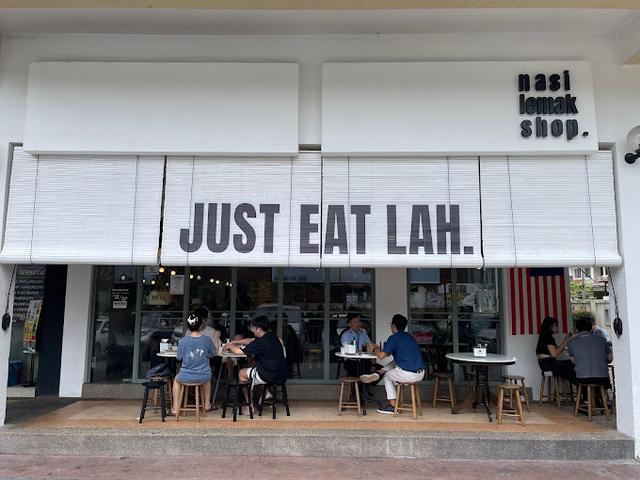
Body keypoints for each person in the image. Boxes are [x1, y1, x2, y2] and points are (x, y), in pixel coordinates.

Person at [225, 315, 288, 411]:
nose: (252, 330)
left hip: (269, 375)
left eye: (253, 328)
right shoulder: (272, 337)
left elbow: (239, 352)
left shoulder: (260, 343)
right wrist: (236, 342)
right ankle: (266, 393)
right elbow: (251, 340)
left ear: (259, 329)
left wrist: (229, 346)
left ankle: (248, 405)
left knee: (241, 373)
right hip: (281, 374)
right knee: (255, 366)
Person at [367, 314, 425, 414]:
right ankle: (381, 371)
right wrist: (382, 350)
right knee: (395, 362)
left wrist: (374, 349)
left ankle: (392, 406)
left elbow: (381, 356)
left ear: (394, 326)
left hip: (408, 374)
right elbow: (390, 353)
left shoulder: (393, 338)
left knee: (387, 377)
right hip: (421, 374)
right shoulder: (409, 336)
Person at [170, 314, 215, 415]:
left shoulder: (183, 341)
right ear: (200, 326)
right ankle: (207, 404)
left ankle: (175, 407)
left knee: (176, 380)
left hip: (185, 376)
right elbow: (213, 353)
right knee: (208, 377)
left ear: (188, 327)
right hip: (203, 375)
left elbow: (179, 357)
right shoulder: (207, 339)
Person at [568, 317, 613, 388]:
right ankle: (600, 397)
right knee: (600, 384)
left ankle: (586, 397)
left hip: (582, 379)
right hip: (603, 379)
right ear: (590, 327)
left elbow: (574, 362)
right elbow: (610, 358)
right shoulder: (602, 340)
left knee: (577, 377)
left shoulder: (571, 342)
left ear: (577, 329)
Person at [536, 316, 576, 384]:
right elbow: (554, 354)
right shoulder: (548, 338)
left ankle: (580, 387)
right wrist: (566, 341)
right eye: (555, 325)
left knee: (569, 363)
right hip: (549, 365)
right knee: (571, 366)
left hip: (545, 365)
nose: (557, 327)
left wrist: (566, 338)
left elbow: (557, 349)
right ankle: (581, 386)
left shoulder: (544, 337)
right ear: (550, 327)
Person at [340, 312, 373, 378]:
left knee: (379, 369)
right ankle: (359, 387)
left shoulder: (363, 333)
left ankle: (364, 385)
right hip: (351, 361)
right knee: (360, 370)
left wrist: (369, 348)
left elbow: (370, 346)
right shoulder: (346, 335)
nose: (358, 324)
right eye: (355, 322)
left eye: (359, 322)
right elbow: (347, 349)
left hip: (363, 360)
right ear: (349, 324)